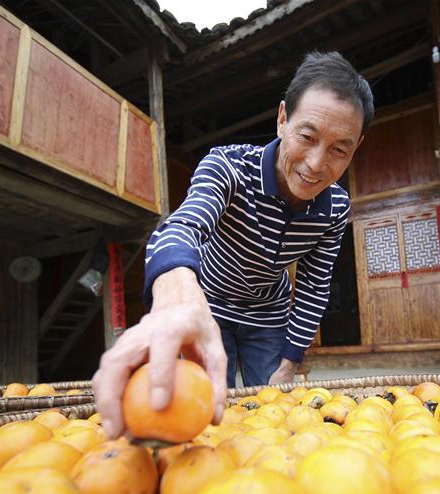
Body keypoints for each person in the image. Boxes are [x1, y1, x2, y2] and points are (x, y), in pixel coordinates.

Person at [92, 51, 373, 438]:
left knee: (276, 418)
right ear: (282, 120)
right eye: (307, 137)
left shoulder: (336, 207)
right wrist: (176, 292)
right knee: (205, 416)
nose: (315, 163)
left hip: (269, 315)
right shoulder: (227, 167)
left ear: (356, 146)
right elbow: (184, 225)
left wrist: (291, 359)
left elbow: (314, 284)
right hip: (207, 306)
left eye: (339, 149)